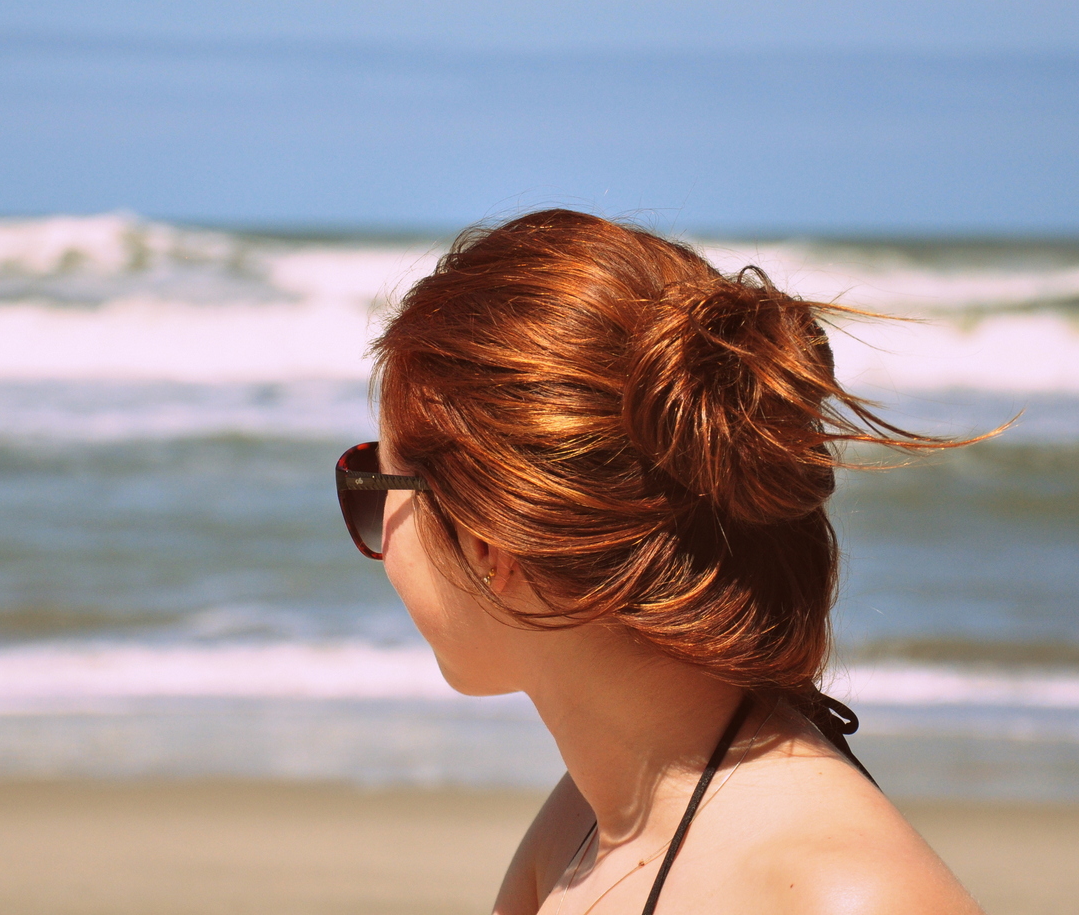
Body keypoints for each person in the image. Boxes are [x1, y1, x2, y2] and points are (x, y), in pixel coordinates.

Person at [335, 210, 984, 914]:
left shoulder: (847, 897)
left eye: (373, 483)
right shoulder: (588, 819)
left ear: (488, 541)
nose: (379, 537)